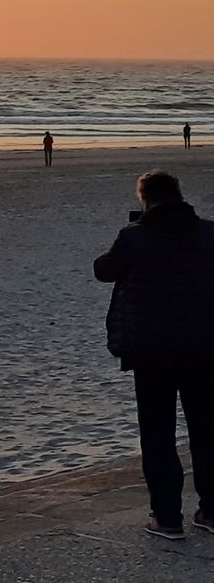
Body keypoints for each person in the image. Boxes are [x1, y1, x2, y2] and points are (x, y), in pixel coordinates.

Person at [94, 171, 214, 540]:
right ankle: (211, 511)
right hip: (205, 345)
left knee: (158, 434)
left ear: (145, 199)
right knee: (208, 431)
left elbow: (103, 270)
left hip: (152, 350)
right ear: (178, 195)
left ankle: (167, 517)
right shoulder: (210, 233)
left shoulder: (135, 238)